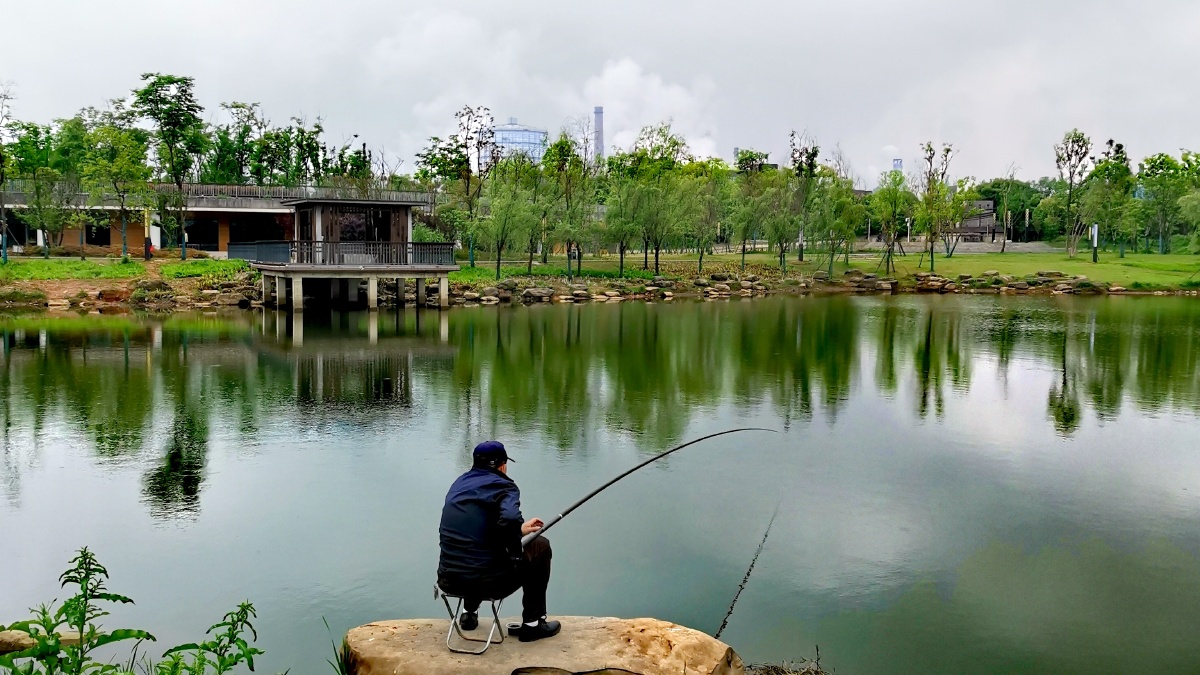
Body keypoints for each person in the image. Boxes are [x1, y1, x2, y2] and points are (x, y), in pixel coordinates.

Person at [437, 441, 561, 642]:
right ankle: (532, 624)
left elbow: (477, 527)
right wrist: (515, 551)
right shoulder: (505, 485)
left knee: (472, 548)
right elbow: (510, 518)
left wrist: (520, 531)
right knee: (541, 546)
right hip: (489, 584)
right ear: (502, 465)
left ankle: (469, 614)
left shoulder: (459, 484)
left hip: (450, 581)